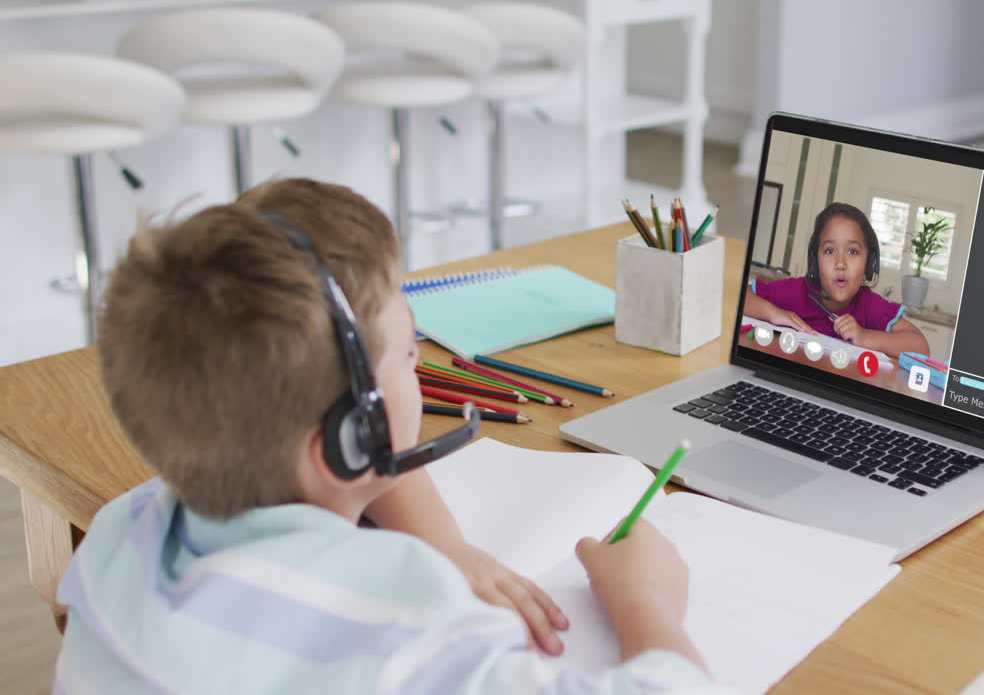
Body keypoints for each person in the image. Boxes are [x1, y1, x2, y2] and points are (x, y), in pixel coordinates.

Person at [54, 178, 709, 693]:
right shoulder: (405, 621)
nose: (421, 359)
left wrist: (445, 540)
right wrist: (644, 600)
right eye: (406, 354)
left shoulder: (123, 535)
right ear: (346, 440)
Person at [744, 202, 929, 359]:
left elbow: (920, 346)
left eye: (852, 252)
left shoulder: (869, 304)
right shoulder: (798, 290)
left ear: (869, 263)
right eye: (830, 251)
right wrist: (773, 313)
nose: (841, 264)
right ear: (816, 260)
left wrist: (863, 336)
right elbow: (740, 296)